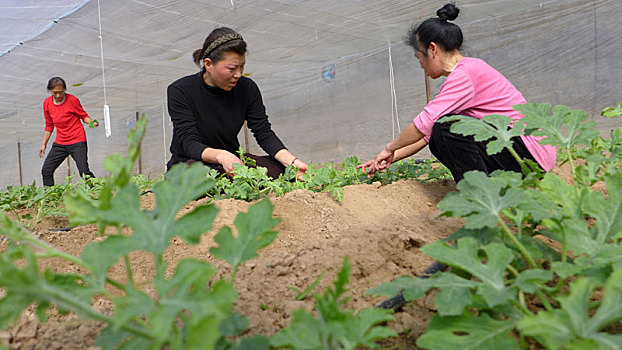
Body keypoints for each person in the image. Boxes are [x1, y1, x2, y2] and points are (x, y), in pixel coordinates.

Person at [359, 4, 556, 182]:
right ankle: (488, 190)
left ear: (432, 49)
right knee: (440, 132)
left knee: (445, 129)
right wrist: (392, 156)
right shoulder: (465, 73)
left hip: (529, 154)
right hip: (524, 151)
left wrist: (389, 147)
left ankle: (480, 196)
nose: (421, 66)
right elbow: (426, 136)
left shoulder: (466, 74)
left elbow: (424, 123)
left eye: (419, 58)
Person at [167, 27, 308, 180]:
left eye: (242, 66)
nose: (238, 75)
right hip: (191, 163)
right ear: (208, 64)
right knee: (191, 177)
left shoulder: (247, 88)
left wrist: (290, 161)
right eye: (232, 68)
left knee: (281, 170)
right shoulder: (180, 91)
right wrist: (220, 155)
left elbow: (263, 132)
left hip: (232, 162)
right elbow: (189, 143)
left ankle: (237, 179)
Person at [39, 77, 98, 186]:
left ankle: (97, 191)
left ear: (64, 90)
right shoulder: (47, 103)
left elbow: (83, 116)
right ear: (50, 91)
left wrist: (91, 122)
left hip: (77, 141)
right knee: (46, 170)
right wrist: (43, 144)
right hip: (60, 143)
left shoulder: (72, 100)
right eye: (54, 93)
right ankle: (51, 197)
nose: (57, 96)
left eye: (60, 92)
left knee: (84, 172)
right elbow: (49, 125)